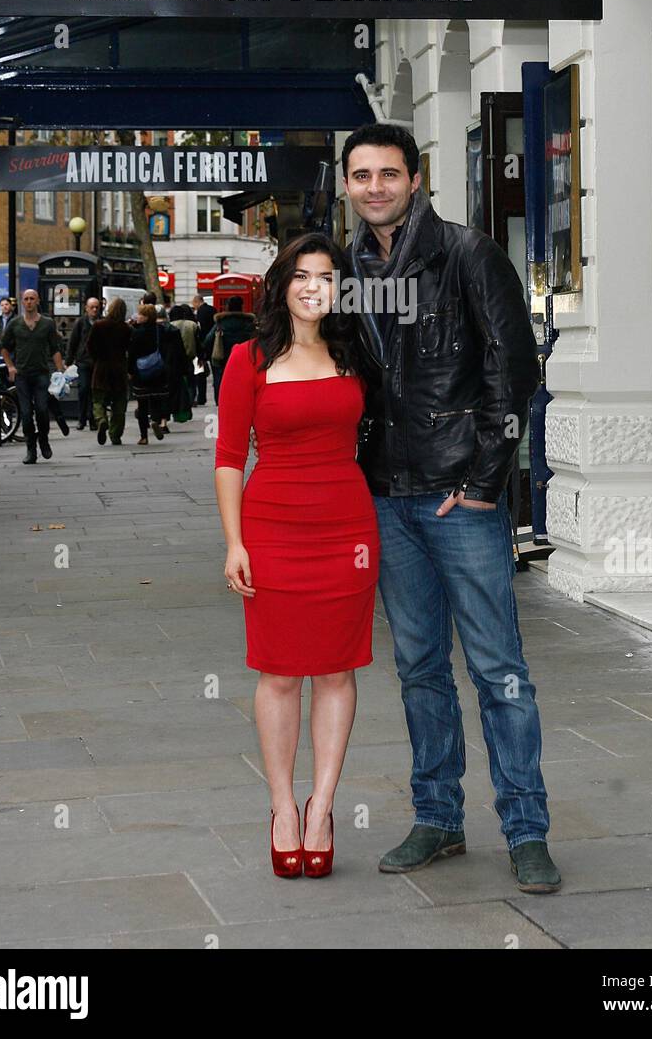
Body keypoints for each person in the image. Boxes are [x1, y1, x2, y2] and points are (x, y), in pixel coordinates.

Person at [343, 122, 560, 894]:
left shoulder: (467, 254)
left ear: (414, 178)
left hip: (456, 497)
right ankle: (436, 819)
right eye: (362, 175)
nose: (375, 187)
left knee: (499, 669)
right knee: (418, 669)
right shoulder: (345, 269)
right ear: (346, 183)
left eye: (388, 174)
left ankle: (526, 829)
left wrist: (483, 479)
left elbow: (516, 375)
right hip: (385, 496)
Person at [215, 234, 378, 879]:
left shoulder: (353, 351)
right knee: (280, 672)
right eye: (302, 276)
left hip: (347, 528)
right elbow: (229, 458)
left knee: (338, 670)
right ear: (283, 285)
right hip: (273, 528)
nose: (315, 286)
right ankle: (283, 808)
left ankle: (324, 807)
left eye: (327, 276)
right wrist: (235, 542)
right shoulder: (248, 360)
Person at [1, 289, 65, 465]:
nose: (29, 302)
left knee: (43, 411)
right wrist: (10, 366)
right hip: (22, 375)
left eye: (32, 299)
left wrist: (60, 372)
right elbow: (4, 347)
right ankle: (31, 448)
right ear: (22, 302)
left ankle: (43, 438)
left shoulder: (47, 323)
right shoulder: (14, 324)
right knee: (27, 414)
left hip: (41, 374)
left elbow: (55, 349)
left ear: (38, 301)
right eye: (26, 299)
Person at [128, 301, 188, 444]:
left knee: (142, 405)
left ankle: (143, 436)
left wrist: (130, 371)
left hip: (141, 372)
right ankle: (156, 420)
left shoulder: (137, 333)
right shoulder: (160, 330)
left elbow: (132, 354)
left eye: (141, 314)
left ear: (146, 317)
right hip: (158, 371)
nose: (138, 316)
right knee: (157, 400)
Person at [87, 296, 131, 446]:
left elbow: (90, 346)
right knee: (119, 405)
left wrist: (96, 359)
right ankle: (115, 434)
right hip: (119, 369)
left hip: (101, 368)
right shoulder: (126, 328)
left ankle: (101, 419)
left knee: (98, 400)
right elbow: (129, 349)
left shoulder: (99, 325)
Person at [204, 296, 257, 405]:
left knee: (220, 379)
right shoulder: (248, 323)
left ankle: (221, 401)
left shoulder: (220, 323)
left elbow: (208, 340)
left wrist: (207, 354)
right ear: (241, 307)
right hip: (244, 357)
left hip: (222, 357)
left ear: (227, 307)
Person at [66, 296, 101, 430]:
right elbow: (73, 341)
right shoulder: (81, 322)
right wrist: (69, 360)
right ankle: (82, 419)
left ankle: (93, 419)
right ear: (86, 308)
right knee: (83, 389)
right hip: (83, 361)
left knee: (94, 391)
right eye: (91, 307)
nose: (94, 309)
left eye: (96, 307)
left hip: (98, 362)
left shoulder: (101, 322)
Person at [169, 304, 201, 405]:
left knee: (176, 381)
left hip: (173, 358)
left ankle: (178, 401)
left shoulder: (170, 325)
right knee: (191, 380)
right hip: (189, 356)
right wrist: (201, 356)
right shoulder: (192, 325)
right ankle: (191, 399)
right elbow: (198, 342)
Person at [192, 294, 215, 405]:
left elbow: (200, 329)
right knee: (216, 372)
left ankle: (201, 397)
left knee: (200, 372)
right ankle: (217, 396)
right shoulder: (212, 309)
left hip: (203, 345)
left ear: (197, 302)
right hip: (215, 344)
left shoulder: (200, 312)